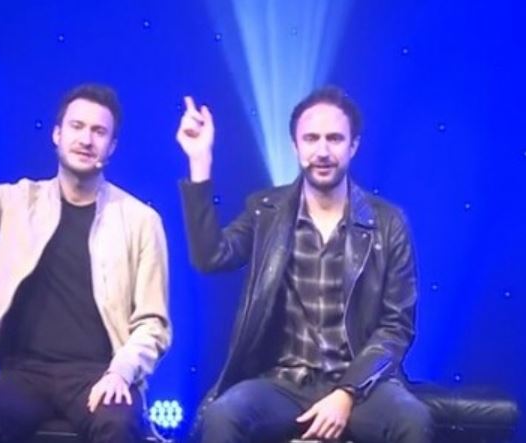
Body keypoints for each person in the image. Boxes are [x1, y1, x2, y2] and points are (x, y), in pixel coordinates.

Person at [0, 22, 171, 443]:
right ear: (57, 135)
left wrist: (121, 372)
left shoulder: (140, 220)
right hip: (24, 372)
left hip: (99, 372)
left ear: (111, 147)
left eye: (99, 132)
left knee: (119, 425)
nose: (86, 139)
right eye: (77, 127)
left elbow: (153, 323)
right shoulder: (18, 202)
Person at [175, 87, 432, 442]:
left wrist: (346, 392)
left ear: (353, 146)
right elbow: (211, 258)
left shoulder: (388, 223)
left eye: (334, 138)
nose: (322, 151)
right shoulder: (266, 211)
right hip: (283, 382)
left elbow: (397, 326)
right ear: (295, 146)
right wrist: (199, 161)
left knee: (412, 419)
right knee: (223, 416)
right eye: (311, 138)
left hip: (362, 385)